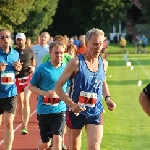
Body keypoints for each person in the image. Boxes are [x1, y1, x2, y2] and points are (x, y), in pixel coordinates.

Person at [55, 28, 116, 150]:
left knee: (94, 147)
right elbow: (58, 87)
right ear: (86, 44)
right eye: (95, 44)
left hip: (95, 110)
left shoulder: (104, 63)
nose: (98, 47)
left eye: (100, 44)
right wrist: (72, 105)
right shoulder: (75, 63)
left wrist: (108, 98)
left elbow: (103, 82)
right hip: (76, 111)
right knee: (74, 148)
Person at [28, 41, 67, 150]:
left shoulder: (67, 69)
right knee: (46, 143)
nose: (59, 55)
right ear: (50, 53)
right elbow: (31, 86)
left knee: (58, 139)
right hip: (44, 110)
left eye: (61, 53)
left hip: (60, 110)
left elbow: (70, 87)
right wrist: (44, 93)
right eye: (56, 53)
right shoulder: (42, 68)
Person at [0, 29, 22, 150]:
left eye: (7, 37)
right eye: (2, 37)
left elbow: (17, 71)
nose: (5, 39)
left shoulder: (15, 54)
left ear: (11, 39)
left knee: (8, 123)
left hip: (10, 93)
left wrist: (18, 69)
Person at [15, 33, 36, 135]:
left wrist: (33, 67)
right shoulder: (13, 51)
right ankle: (22, 121)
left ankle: (24, 125)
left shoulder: (30, 51)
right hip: (17, 79)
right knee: (20, 103)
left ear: (24, 40)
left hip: (28, 78)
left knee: (26, 100)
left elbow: (33, 62)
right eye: (18, 40)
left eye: (21, 40)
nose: (20, 41)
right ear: (16, 41)